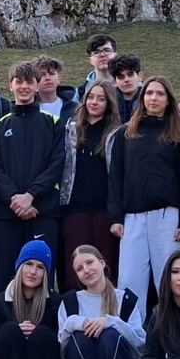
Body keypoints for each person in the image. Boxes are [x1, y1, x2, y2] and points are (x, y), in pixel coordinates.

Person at [107, 76, 180, 328]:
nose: (154, 98)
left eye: (160, 94)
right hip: (132, 220)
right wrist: (116, 217)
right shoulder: (125, 134)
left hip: (168, 219)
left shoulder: (178, 136)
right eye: (149, 93)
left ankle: (176, 338)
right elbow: (116, 177)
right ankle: (130, 339)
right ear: (142, 98)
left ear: (168, 100)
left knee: (172, 280)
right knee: (129, 282)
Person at [0, 61, 66, 290]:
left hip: (42, 211)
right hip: (5, 214)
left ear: (37, 86)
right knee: (2, 280)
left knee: (40, 279)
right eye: (19, 82)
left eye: (29, 82)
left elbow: (57, 164)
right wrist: (13, 198)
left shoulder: (53, 123)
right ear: (10, 85)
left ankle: (41, 315)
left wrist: (31, 196)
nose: (24, 87)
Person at [59, 80, 120, 290]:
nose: (94, 102)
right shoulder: (71, 129)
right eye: (91, 97)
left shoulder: (117, 134)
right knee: (75, 268)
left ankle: (107, 306)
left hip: (105, 210)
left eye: (101, 99)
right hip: (75, 208)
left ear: (109, 104)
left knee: (105, 266)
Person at [35, 55, 78, 123]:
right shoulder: (28, 108)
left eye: (52, 74)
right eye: (42, 74)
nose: (48, 78)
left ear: (59, 78)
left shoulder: (75, 108)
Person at [77, 34, 117, 101]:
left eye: (107, 50)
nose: (102, 55)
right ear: (90, 60)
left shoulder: (129, 85)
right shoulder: (81, 92)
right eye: (96, 52)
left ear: (115, 55)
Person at [107, 54, 144, 122]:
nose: (126, 80)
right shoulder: (108, 102)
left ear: (139, 76)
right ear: (114, 82)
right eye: (121, 77)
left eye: (130, 74)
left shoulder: (148, 99)